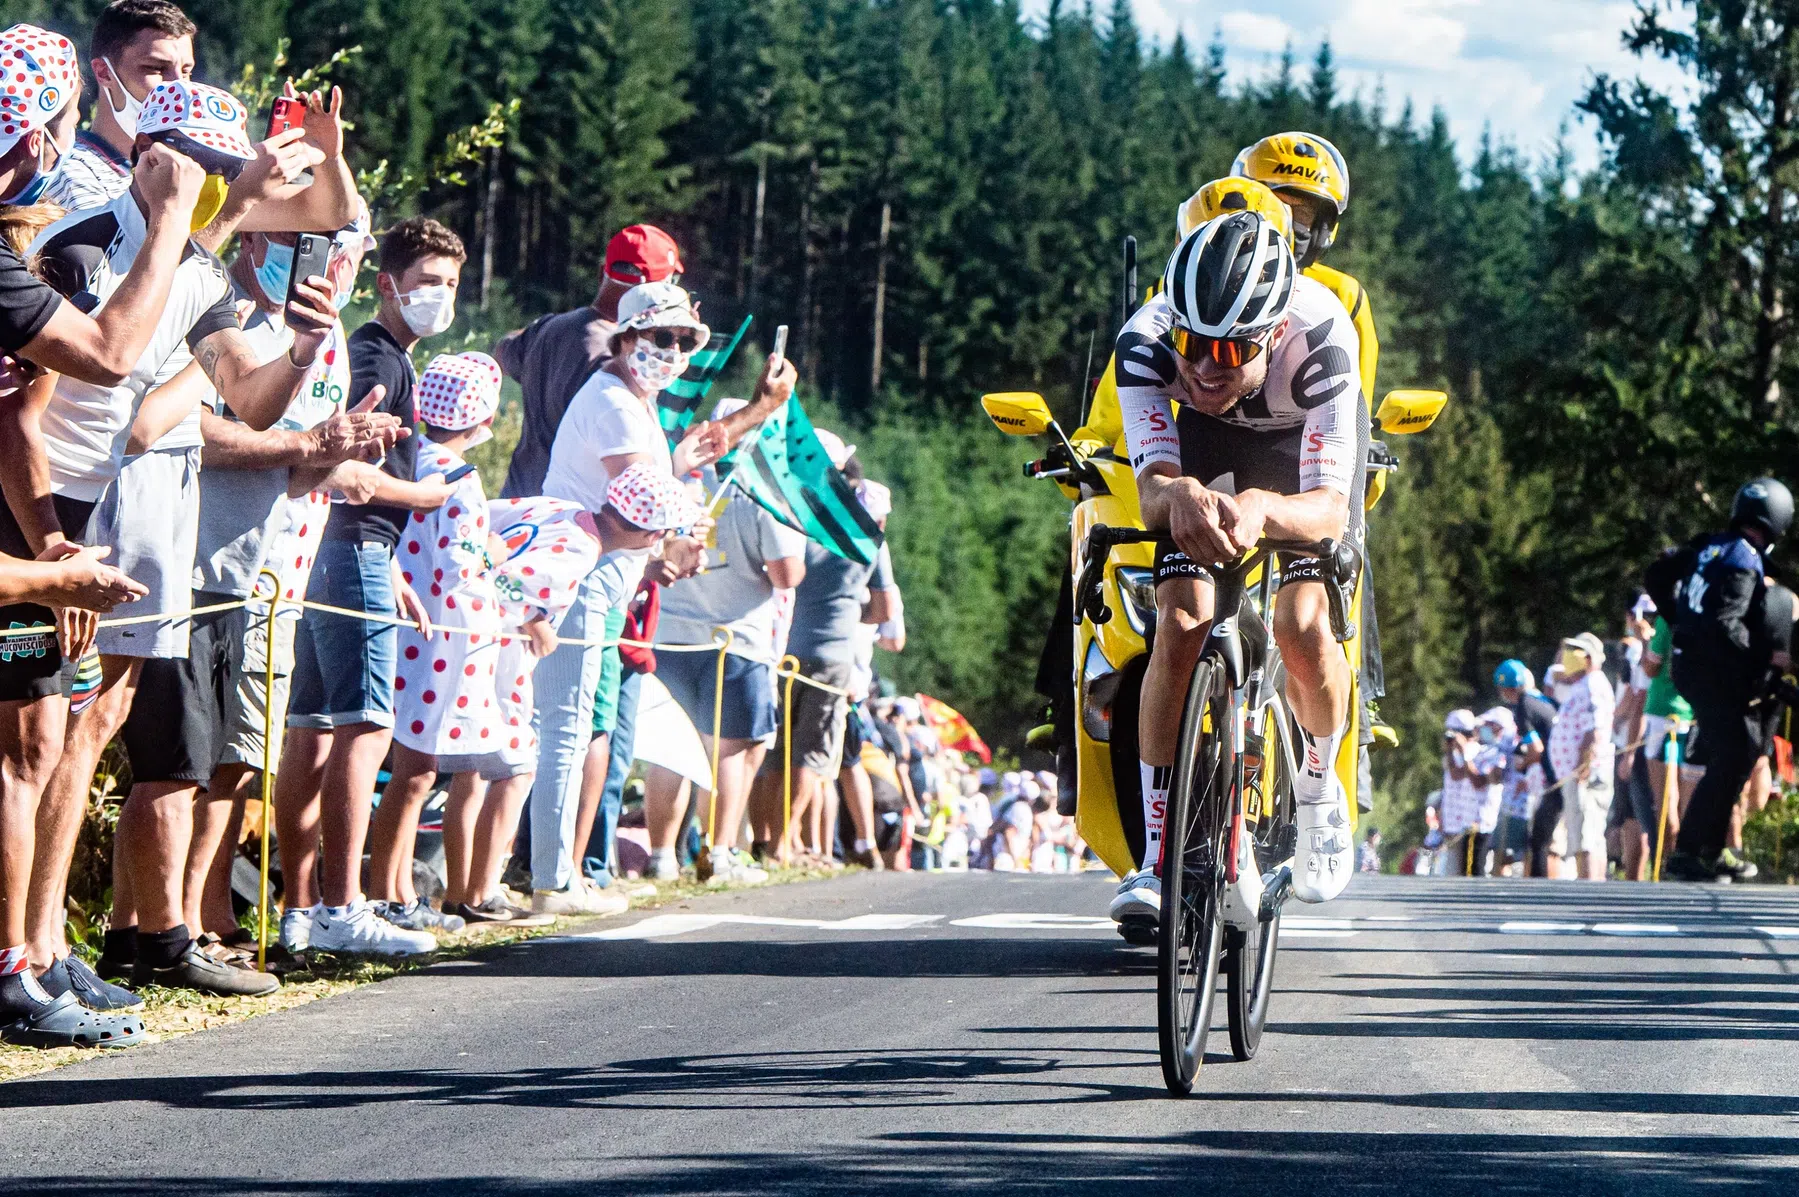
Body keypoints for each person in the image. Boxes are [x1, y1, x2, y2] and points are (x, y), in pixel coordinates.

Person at [25, 82, 344, 999]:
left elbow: (249, 394)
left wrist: (305, 348)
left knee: (107, 719)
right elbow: (90, 400)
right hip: (81, 502)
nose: (211, 183)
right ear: (149, 155)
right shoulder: (86, 240)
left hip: (162, 501)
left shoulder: (200, 267)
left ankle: (57, 946)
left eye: (223, 167)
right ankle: (38, 947)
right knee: (66, 729)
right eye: (197, 164)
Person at [1106, 209, 1366, 932]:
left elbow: (1326, 512)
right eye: (1192, 343)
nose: (1203, 365)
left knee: (1302, 623)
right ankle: (1159, 854)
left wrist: (1260, 508)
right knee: (1181, 618)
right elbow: (1154, 486)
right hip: (1203, 443)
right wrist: (1179, 494)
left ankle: (1317, 791)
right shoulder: (1147, 341)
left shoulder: (1319, 343)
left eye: (1228, 352)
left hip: (1294, 454)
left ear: (1273, 334)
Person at [170, 211, 398, 955]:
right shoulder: (217, 313)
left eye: (348, 256)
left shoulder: (321, 338)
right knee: (184, 756)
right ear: (259, 241)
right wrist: (306, 443)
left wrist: (339, 447)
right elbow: (196, 433)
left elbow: (297, 471)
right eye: (320, 250)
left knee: (241, 758)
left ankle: (210, 913)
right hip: (198, 563)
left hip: (273, 571)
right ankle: (174, 922)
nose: (335, 268)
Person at [277, 216, 463, 958]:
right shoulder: (376, 357)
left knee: (316, 727)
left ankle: (299, 907)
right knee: (365, 724)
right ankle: (341, 903)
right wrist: (425, 497)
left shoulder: (389, 355)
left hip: (355, 554)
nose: (438, 297)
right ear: (386, 285)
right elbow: (342, 469)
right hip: (350, 545)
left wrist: (390, 562)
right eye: (425, 283)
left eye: (448, 285)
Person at [526, 281, 729, 914]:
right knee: (566, 728)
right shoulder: (616, 400)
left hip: (605, 576)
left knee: (581, 725)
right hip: (582, 576)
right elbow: (636, 494)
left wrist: (682, 464)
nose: (671, 351)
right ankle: (551, 882)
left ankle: (564, 874)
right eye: (658, 337)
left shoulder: (633, 401)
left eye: (683, 341)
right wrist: (671, 544)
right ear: (626, 337)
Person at [367, 352, 508, 933]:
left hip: (412, 632)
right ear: (483, 423)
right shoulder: (460, 475)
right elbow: (458, 562)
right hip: (442, 636)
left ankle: (398, 888)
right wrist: (495, 555)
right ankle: (388, 892)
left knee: (410, 765)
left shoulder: (412, 456)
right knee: (417, 767)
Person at [643, 398, 807, 885]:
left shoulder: (679, 480)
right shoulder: (762, 493)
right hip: (733, 639)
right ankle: (717, 853)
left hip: (669, 633)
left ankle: (661, 855)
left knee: (669, 749)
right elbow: (786, 575)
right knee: (729, 750)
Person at [50, 2, 358, 245]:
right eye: (156, 69)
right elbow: (129, 294)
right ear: (103, 73)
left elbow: (331, 214)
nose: (178, 86)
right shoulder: (72, 171)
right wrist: (239, 199)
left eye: (186, 70)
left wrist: (327, 157)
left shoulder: (191, 170)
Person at [750, 430, 900, 867]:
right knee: (812, 755)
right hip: (833, 652)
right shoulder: (866, 534)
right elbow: (885, 608)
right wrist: (850, 613)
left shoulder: (788, 518)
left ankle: (763, 842)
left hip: (780, 648)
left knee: (772, 750)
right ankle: (785, 842)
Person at [1655, 479, 1795, 881]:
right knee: (1735, 754)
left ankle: (1710, 849)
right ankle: (1689, 853)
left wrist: (1678, 617)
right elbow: (1728, 622)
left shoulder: (1706, 547)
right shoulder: (1743, 557)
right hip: (1710, 670)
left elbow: (1656, 576)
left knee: (1740, 751)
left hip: (1693, 665)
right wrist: (1768, 656)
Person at [497, 223, 683, 498]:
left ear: (601, 274)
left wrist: (540, 333)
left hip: (516, 509)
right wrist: (756, 410)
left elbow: (501, 350)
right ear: (656, 295)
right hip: (571, 524)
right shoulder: (621, 366)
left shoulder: (548, 328)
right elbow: (644, 479)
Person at [1547, 632, 1615, 882]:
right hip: (1575, 772)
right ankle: (1589, 884)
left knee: (1587, 833)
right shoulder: (1581, 684)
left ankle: (1589, 888)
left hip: (1585, 771)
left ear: (1588, 657)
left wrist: (1583, 766)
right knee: (1582, 833)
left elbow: (1593, 730)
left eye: (1575, 651)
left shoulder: (1594, 684)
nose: (1568, 656)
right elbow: (1556, 679)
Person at [1494, 659, 1563, 878]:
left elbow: (1537, 749)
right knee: (1546, 837)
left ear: (1506, 689)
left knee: (1539, 840)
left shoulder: (1524, 705)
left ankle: (1539, 890)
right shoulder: (1544, 699)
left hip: (1554, 777)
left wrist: (1523, 766)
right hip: (1566, 769)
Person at [1439, 709, 1503, 876]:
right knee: (1455, 872)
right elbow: (1454, 776)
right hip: (1455, 820)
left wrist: (1463, 752)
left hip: (1475, 821)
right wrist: (1450, 751)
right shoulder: (1452, 754)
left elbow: (1478, 781)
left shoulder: (1481, 751)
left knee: (1472, 871)